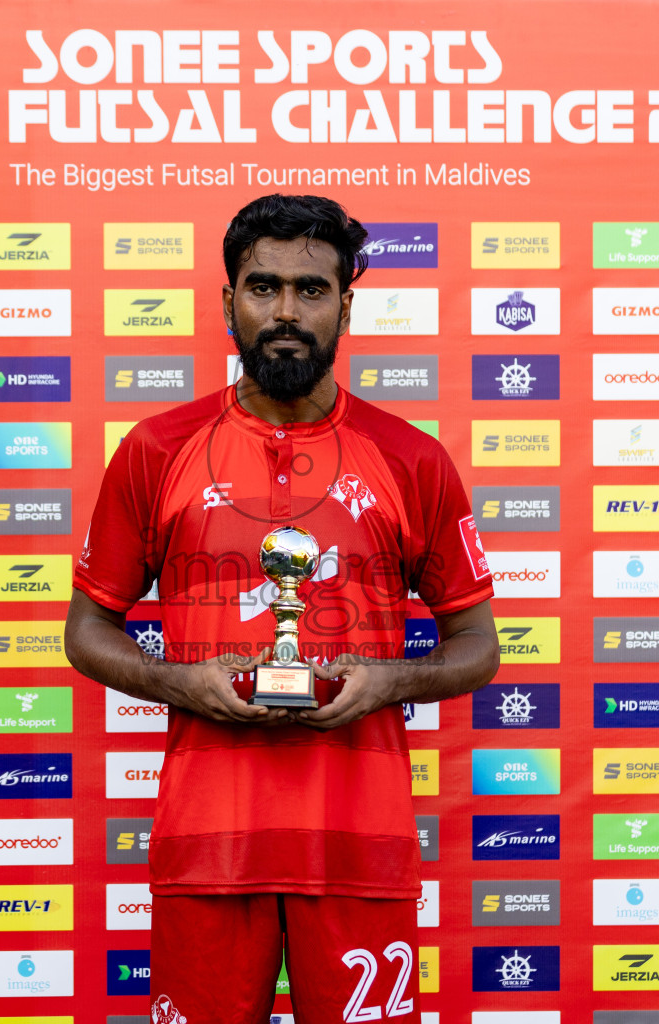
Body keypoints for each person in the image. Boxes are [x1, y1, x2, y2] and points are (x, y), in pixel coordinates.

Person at [66, 194, 499, 1022]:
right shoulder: (157, 449)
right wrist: (180, 682)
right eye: (263, 288)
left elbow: (477, 644)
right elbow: (86, 630)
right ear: (227, 301)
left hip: (360, 848)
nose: (286, 312)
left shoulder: (411, 458)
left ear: (346, 303)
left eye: (311, 290)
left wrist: (389, 680)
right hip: (208, 847)